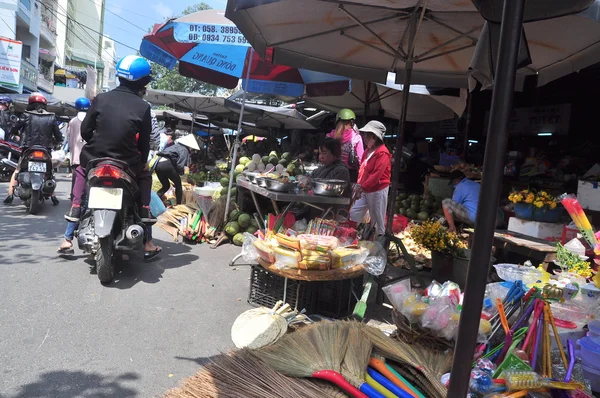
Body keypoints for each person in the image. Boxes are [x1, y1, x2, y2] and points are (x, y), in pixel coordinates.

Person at [65, 55, 161, 258]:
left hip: (95, 158)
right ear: (144, 81)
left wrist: (96, 142)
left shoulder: (100, 99)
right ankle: (144, 210)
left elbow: (85, 131)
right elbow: (144, 143)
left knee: (81, 170)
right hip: (127, 163)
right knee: (145, 175)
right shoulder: (143, 107)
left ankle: (75, 207)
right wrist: (143, 161)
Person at [3, 92, 62, 205]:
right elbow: (58, 136)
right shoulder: (51, 117)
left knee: (18, 169)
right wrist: (56, 142)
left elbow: (14, 129)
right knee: (49, 172)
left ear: (30, 104)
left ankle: (10, 194)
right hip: (46, 149)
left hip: (28, 148)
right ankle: (53, 197)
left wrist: (16, 135)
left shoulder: (26, 115)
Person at [57, 97, 90, 254]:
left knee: (77, 200)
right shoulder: (94, 120)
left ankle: (67, 239)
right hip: (94, 163)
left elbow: (69, 141)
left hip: (78, 163)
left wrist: (72, 155)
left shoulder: (73, 122)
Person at [349, 120, 391, 237]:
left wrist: (362, 187)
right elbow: (362, 170)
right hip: (365, 189)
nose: (365, 137)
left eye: (367, 135)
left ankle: (380, 246)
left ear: (374, 136)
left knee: (377, 220)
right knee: (354, 213)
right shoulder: (367, 151)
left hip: (377, 190)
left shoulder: (383, 153)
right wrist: (359, 186)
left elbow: (377, 174)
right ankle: (354, 236)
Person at [326, 108, 364, 182]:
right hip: (350, 174)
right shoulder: (356, 137)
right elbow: (361, 159)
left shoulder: (330, 135)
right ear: (352, 122)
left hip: (332, 170)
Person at [155, 133, 191, 205]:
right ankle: (179, 204)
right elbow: (180, 165)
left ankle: (154, 199)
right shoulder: (185, 150)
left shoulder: (175, 146)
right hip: (167, 164)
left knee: (166, 186)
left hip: (158, 164)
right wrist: (181, 173)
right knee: (178, 184)